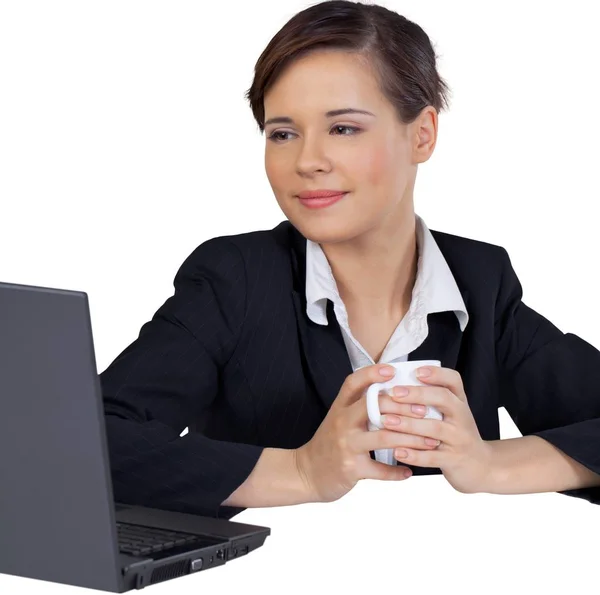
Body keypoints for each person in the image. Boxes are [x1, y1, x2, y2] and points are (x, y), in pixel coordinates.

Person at [101, 0, 600, 520]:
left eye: (343, 128)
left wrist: (489, 464)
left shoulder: (480, 282)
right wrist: (301, 471)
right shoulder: (234, 278)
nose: (307, 161)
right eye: (283, 133)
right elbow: (88, 441)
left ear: (422, 134)